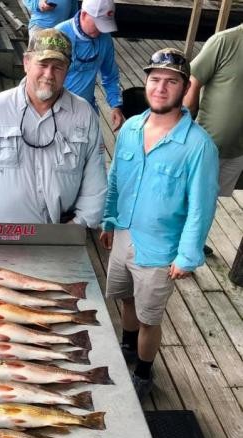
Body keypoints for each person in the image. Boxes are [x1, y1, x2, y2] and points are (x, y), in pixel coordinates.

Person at [100, 48, 219, 401]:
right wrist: (109, 220)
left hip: (159, 249)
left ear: (185, 89)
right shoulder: (131, 127)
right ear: (146, 83)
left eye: (171, 81)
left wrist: (187, 255)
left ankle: (144, 371)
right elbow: (116, 179)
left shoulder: (199, 147)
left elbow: (202, 206)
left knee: (151, 317)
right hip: (123, 232)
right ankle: (126, 346)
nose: (161, 87)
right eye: (155, 79)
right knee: (125, 298)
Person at [0, 29, 107, 227]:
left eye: (58, 67)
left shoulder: (85, 115)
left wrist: (78, 225)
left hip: (60, 234)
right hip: (3, 234)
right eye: (43, 64)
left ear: (68, 69)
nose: (49, 74)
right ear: (26, 63)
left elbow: (96, 182)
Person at [183, 24, 243, 256]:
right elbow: (193, 82)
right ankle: (177, 243)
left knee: (209, 199)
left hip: (237, 149)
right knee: (189, 194)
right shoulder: (224, 41)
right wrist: (185, 126)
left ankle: (194, 241)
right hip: (207, 142)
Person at [55, 0, 125, 131]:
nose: (101, 30)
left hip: (87, 109)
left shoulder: (105, 39)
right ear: (84, 14)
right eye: (98, 24)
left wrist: (116, 105)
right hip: (57, 110)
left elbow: (110, 75)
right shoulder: (59, 34)